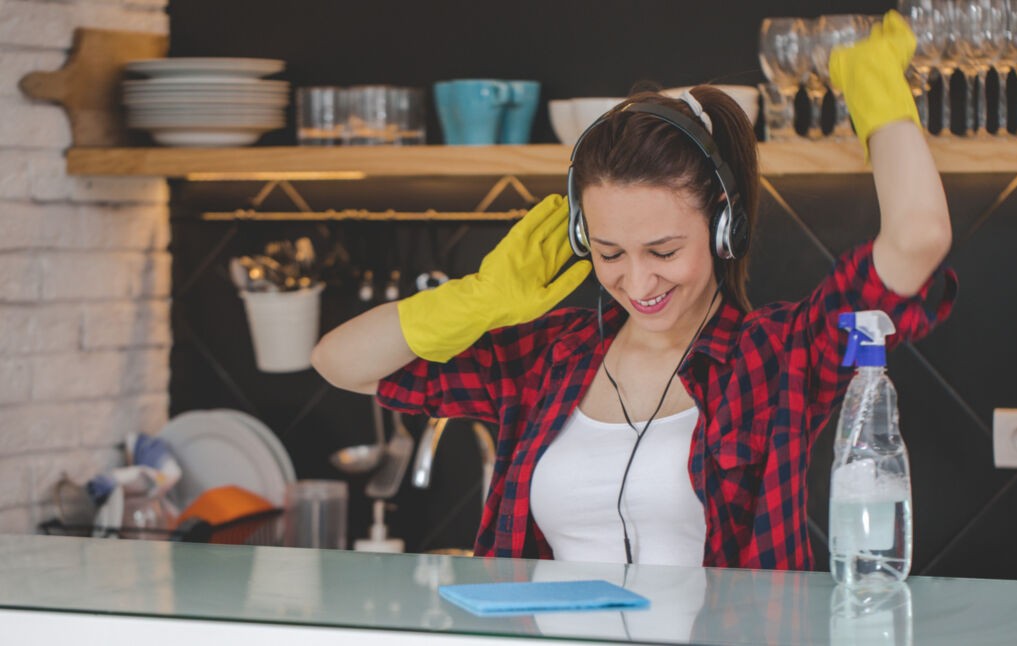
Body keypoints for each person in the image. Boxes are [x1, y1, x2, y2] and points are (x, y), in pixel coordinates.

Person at [311, 11, 956, 570]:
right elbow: (339, 362)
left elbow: (918, 235)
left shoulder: (777, 357)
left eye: (665, 251)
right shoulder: (544, 359)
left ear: (723, 227)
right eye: (610, 253)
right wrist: (479, 298)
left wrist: (873, 85)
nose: (638, 282)